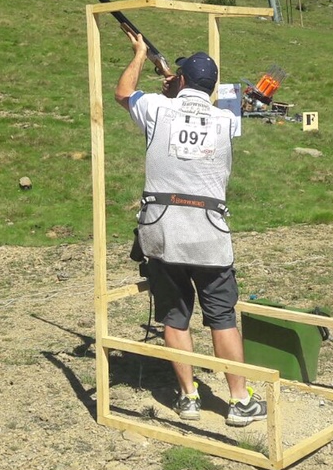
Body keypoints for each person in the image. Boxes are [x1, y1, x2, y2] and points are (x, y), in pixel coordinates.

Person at [114, 27, 266, 427]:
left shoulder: (157, 109)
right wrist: (178, 89)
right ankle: (239, 401)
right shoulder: (227, 120)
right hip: (209, 235)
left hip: (162, 232)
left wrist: (139, 54)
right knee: (223, 318)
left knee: (175, 317)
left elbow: (124, 93)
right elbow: (195, 117)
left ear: (180, 79)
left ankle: (188, 397)